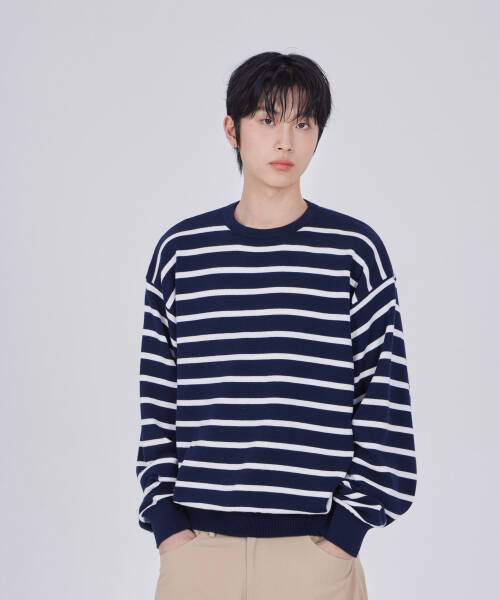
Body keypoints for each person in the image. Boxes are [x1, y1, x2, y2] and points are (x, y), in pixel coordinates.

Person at [136, 51, 417, 600]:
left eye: (303, 123)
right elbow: (157, 402)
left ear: (317, 135)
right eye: (267, 120)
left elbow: (384, 401)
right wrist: (167, 526)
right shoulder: (182, 253)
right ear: (232, 130)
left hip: (314, 553)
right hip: (198, 554)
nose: (285, 141)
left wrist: (345, 537)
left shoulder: (353, 253)